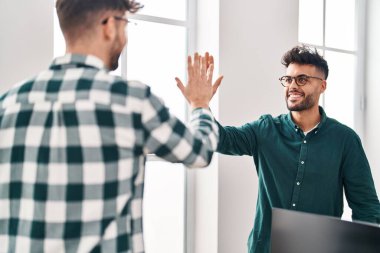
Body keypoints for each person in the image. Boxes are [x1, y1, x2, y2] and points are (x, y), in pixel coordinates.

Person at [0, 0, 223, 252]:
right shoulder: (130, 100)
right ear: (108, 25)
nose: (125, 36)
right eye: (126, 24)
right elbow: (199, 153)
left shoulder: (9, 103)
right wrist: (200, 104)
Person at [182, 45, 380, 253]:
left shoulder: (345, 140)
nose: (292, 86)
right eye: (288, 79)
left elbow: (366, 206)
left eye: (302, 79)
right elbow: (222, 139)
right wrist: (200, 105)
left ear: (322, 86)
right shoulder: (265, 129)